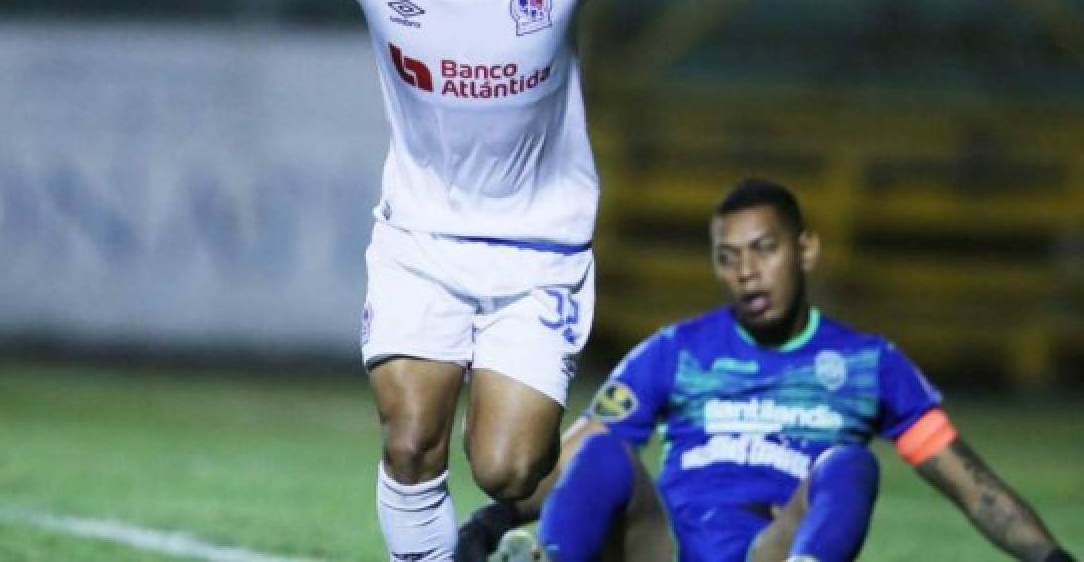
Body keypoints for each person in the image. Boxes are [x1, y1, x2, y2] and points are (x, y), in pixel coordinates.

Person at [0, 0, 961, 562]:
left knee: (506, 467)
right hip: (419, 240)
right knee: (411, 438)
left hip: (538, 256)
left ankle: (603, 500)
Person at [459, 178, 1077, 562]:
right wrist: (493, 520)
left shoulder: (870, 364)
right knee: (603, 455)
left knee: (848, 464)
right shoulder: (676, 350)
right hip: (667, 547)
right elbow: (580, 456)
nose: (746, 271)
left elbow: (974, 487)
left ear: (805, 249)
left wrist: (1049, 557)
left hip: (772, 549)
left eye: (764, 249)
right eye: (728, 258)